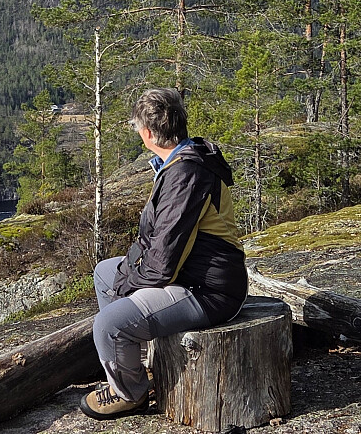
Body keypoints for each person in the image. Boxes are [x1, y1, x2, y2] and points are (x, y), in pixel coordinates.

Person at [80, 88, 248, 420]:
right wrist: (125, 273)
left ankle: (130, 393)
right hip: (189, 275)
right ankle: (141, 368)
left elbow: (162, 263)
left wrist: (128, 284)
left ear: (146, 133)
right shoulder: (182, 162)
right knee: (105, 273)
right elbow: (154, 240)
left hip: (208, 291)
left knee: (108, 326)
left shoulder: (186, 174)